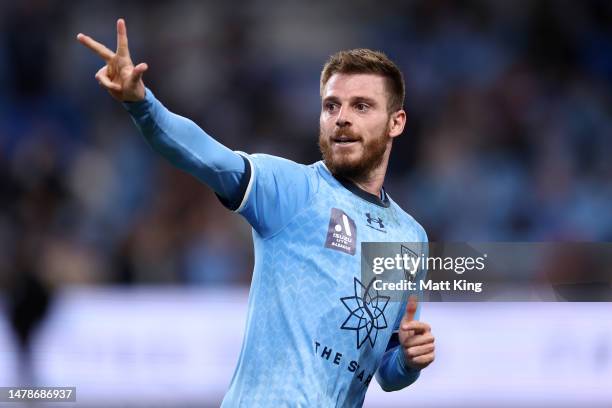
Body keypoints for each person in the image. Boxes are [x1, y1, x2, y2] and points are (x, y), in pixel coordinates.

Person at [77, 18, 435, 407]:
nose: (342, 117)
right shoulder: (294, 191)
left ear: (395, 122)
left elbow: (383, 367)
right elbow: (208, 158)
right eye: (331, 106)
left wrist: (409, 361)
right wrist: (142, 105)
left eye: (361, 106)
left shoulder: (408, 237)